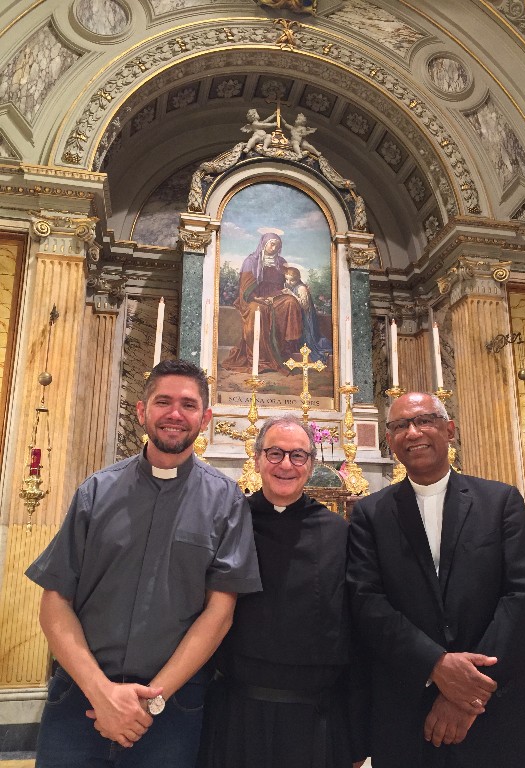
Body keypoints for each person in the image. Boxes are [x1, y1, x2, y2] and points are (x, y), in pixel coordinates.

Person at [26, 359, 262, 768]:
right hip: (80, 697)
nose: (175, 414)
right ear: (141, 410)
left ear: (205, 418)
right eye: (163, 401)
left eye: (188, 405)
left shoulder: (227, 502)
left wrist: (151, 700)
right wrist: (101, 692)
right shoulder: (96, 492)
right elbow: (55, 602)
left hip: (171, 706)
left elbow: (219, 614)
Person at [347, 392, 525, 768]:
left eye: (425, 420)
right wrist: (435, 664)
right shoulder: (370, 514)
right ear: (389, 440)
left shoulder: (500, 501)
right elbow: (366, 602)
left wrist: (467, 694)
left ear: (449, 430)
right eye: (400, 425)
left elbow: (524, 597)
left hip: (496, 714)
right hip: (409, 716)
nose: (413, 432)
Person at [199, 415, 367, 768]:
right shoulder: (229, 523)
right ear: (257, 459)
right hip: (238, 715)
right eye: (275, 453)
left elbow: (355, 631)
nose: (286, 465)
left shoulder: (338, 532)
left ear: (312, 464)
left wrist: (354, 734)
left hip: (315, 719)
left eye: (298, 455)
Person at [222, 232, 303, 373]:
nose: (274, 248)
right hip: (255, 298)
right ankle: (260, 358)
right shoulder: (251, 261)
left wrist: (295, 289)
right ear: (264, 244)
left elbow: (290, 280)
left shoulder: (281, 262)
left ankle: (284, 349)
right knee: (257, 311)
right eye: (272, 244)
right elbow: (245, 286)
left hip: (275, 297)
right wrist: (255, 297)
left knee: (290, 302)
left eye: (277, 245)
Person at [282, 265, 332, 363]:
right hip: (299, 315)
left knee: (309, 340)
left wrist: (291, 294)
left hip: (306, 317)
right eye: (287, 279)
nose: (289, 282)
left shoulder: (301, 288)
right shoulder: (291, 286)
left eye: (292, 280)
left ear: (298, 279)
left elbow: (304, 306)